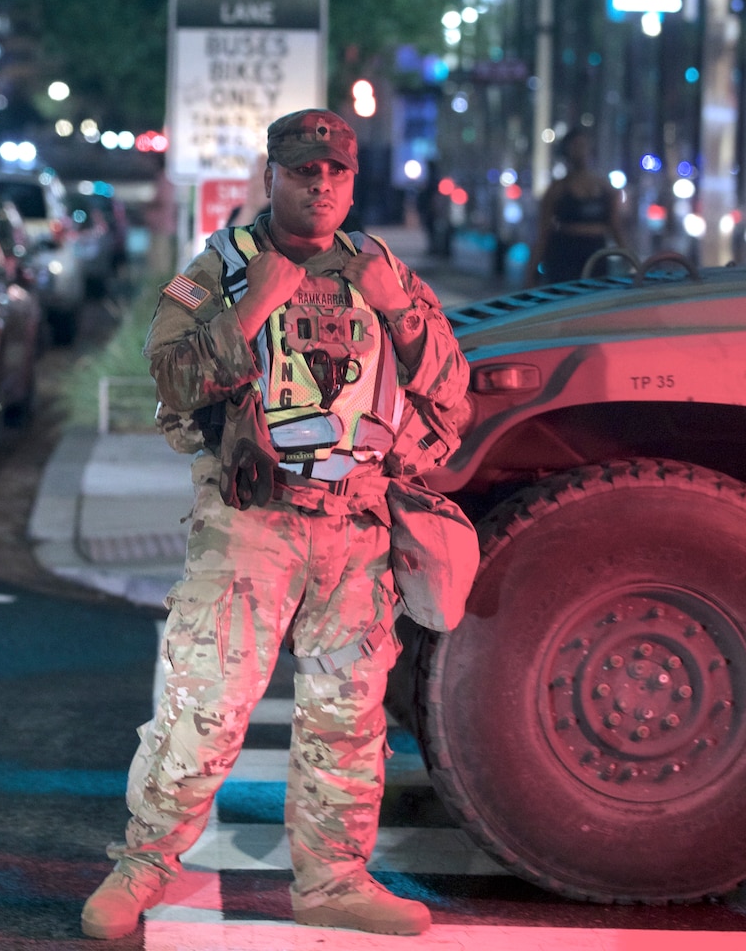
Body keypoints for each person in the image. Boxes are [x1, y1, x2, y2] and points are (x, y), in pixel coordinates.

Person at [80, 109, 471, 940]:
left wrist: (399, 311)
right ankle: (141, 866)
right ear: (272, 177)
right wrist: (249, 313)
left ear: (352, 181)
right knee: (207, 706)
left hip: (359, 524)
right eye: (301, 171)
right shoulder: (223, 269)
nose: (318, 184)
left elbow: (451, 399)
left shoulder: (383, 271)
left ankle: (332, 884)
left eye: (333, 172)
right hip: (252, 521)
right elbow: (172, 386)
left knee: (348, 719)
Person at [530, 126, 626, 284]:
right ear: (567, 151)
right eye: (575, 146)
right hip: (565, 256)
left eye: (583, 145)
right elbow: (543, 231)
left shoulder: (605, 188)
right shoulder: (557, 189)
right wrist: (532, 271)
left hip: (596, 256)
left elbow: (616, 227)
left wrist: (629, 259)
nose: (580, 151)